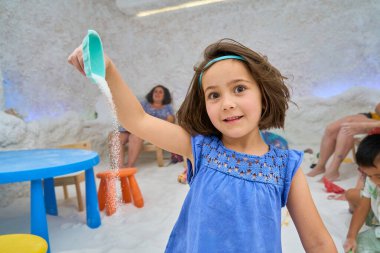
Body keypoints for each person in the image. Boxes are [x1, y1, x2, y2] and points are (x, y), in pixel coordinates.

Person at [68, 38, 337, 252]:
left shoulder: (285, 166)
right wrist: (110, 71)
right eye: (214, 95)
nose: (227, 102)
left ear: (263, 97)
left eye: (240, 89)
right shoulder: (200, 149)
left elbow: (318, 243)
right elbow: (137, 120)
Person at [307, 103, 380, 181]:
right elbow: (377, 108)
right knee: (331, 129)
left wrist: (363, 125)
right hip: (376, 116)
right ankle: (320, 166)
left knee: (347, 128)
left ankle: (333, 170)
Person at [108, 84, 175, 168]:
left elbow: (170, 120)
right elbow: (133, 113)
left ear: (165, 95)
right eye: (155, 91)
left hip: (146, 130)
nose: (157, 93)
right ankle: (119, 167)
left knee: (135, 137)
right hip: (132, 126)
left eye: (160, 92)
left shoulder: (167, 107)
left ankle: (129, 166)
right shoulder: (144, 104)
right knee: (116, 138)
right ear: (152, 93)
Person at [343, 134, 380, 253]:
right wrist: (351, 237)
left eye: (379, 176)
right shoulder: (372, 181)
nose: (374, 180)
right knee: (357, 245)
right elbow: (363, 207)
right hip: (376, 213)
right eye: (368, 175)